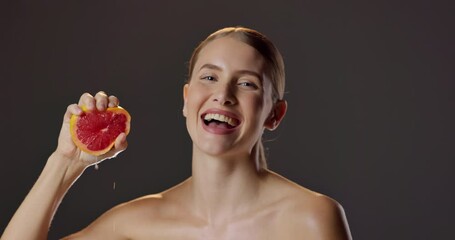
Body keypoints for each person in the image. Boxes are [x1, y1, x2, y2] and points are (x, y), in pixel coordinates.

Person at [1, 26, 352, 239]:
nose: (223, 94)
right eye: (209, 77)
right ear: (186, 99)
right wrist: (65, 163)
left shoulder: (310, 217)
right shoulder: (136, 224)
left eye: (246, 83)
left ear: (274, 114)